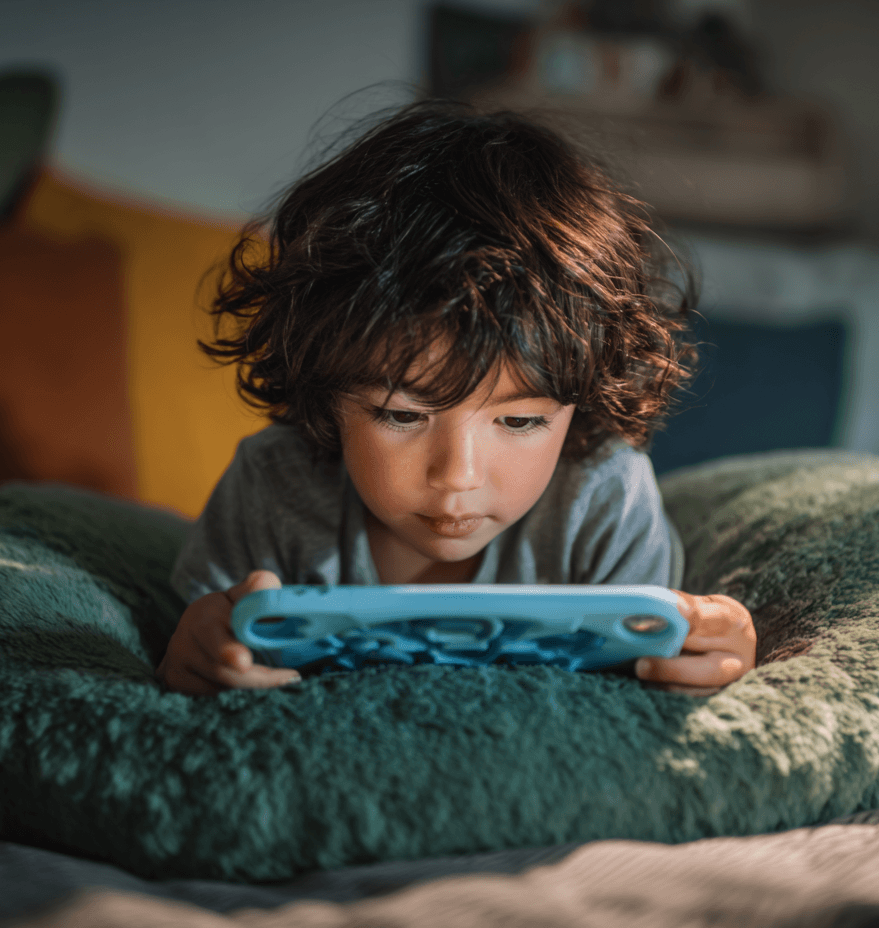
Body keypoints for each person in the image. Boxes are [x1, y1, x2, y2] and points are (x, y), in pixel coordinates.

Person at [157, 100, 756, 695]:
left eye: (520, 420)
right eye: (401, 414)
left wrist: (710, 660)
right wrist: (194, 653)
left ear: (581, 403)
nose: (457, 477)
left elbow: (645, 689)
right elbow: (194, 647)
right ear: (325, 390)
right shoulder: (272, 488)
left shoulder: (603, 499)